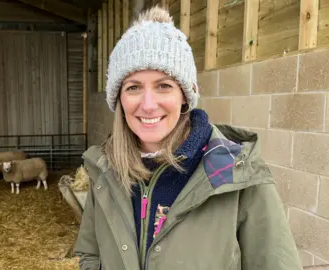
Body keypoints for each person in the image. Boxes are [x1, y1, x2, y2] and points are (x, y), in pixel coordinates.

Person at [73, 5, 303, 270]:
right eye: (133, 87)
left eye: (164, 86)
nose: (148, 105)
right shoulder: (106, 170)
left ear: (185, 95)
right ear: (119, 98)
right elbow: (91, 255)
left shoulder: (238, 176)